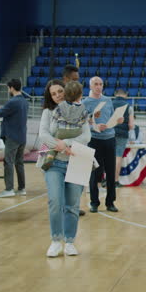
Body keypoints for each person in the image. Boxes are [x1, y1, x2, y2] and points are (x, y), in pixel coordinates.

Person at [39, 79, 91, 257]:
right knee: (55, 201)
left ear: (67, 90)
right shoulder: (48, 112)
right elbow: (43, 135)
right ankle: (55, 240)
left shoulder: (81, 111)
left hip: (76, 162)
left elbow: (87, 136)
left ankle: (69, 241)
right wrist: (58, 145)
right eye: (53, 94)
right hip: (53, 163)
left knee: (72, 205)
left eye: (60, 91)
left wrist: (67, 143)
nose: (57, 95)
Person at [82, 76, 122, 213]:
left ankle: (110, 202)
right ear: (90, 86)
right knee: (95, 173)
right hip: (94, 140)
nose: (99, 86)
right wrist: (94, 123)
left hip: (110, 138)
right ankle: (94, 202)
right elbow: (83, 121)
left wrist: (118, 120)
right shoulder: (85, 102)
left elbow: (112, 118)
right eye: (96, 84)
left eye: (101, 84)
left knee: (111, 172)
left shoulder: (108, 100)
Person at [0, 79, 29, 198]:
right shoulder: (24, 102)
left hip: (12, 137)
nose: (8, 90)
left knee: (8, 162)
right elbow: (10, 111)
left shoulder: (13, 102)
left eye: (8, 88)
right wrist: (0, 107)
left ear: (11, 88)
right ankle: (21, 188)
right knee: (19, 163)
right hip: (22, 136)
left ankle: (9, 189)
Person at [63, 64, 85, 215]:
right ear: (65, 79)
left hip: (77, 144)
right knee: (63, 180)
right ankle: (67, 207)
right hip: (61, 146)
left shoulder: (79, 99)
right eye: (74, 79)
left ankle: (73, 206)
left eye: (78, 80)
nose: (77, 83)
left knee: (79, 179)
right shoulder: (58, 97)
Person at [111, 88, 135, 188]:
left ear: (115, 94)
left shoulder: (109, 104)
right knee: (118, 157)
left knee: (108, 157)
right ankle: (115, 181)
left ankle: (105, 179)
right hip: (122, 134)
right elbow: (131, 125)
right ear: (125, 95)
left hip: (109, 133)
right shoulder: (129, 106)